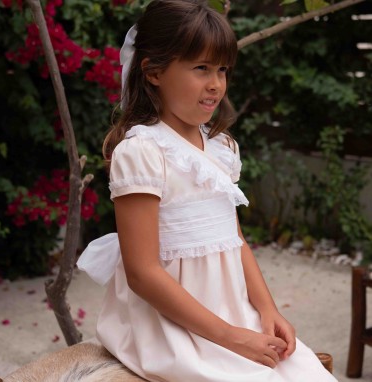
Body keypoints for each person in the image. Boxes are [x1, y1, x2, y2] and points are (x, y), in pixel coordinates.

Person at [77, 1, 338, 381]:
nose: (215, 83)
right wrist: (232, 338)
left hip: (232, 314)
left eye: (222, 70)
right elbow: (143, 273)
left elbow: (233, 238)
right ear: (153, 72)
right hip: (170, 328)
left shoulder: (222, 148)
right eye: (201, 68)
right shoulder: (142, 152)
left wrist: (267, 309)